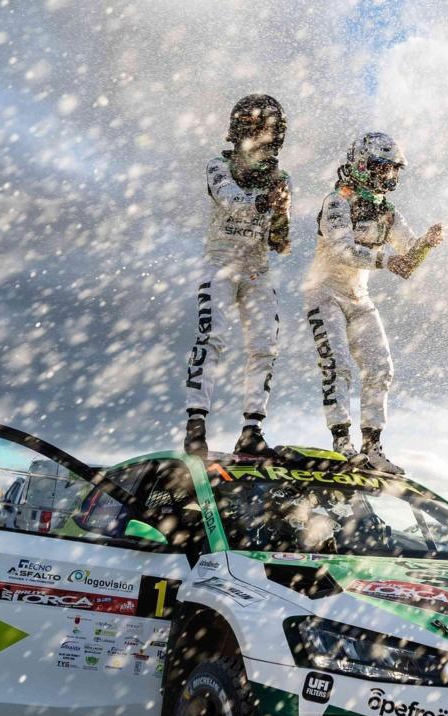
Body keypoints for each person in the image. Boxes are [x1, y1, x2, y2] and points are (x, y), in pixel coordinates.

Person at [303, 132, 444, 474]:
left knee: (381, 368)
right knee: (337, 365)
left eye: (394, 169)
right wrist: (386, 260)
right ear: (362, 165)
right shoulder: (337, 201)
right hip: (324, 293)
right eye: (383, 167)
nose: (389, 175)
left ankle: (373, 448)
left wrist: (426, 244)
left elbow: (408, 258)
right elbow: (342, 249)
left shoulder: (387, 211)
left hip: (359, 296)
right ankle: (342, 444)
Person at [183, 94, 292, 458]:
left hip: (258, 269)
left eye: (270, 129)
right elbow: (230, 200)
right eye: (259, 128)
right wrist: (265, 202)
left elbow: (280, 241)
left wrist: (282, 213)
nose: (265, 135)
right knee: (211, 336)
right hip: (221, 261)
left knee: (265, 346)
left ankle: (252, 431)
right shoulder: (219, 164)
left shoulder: (281, 177)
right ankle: (195, 427)